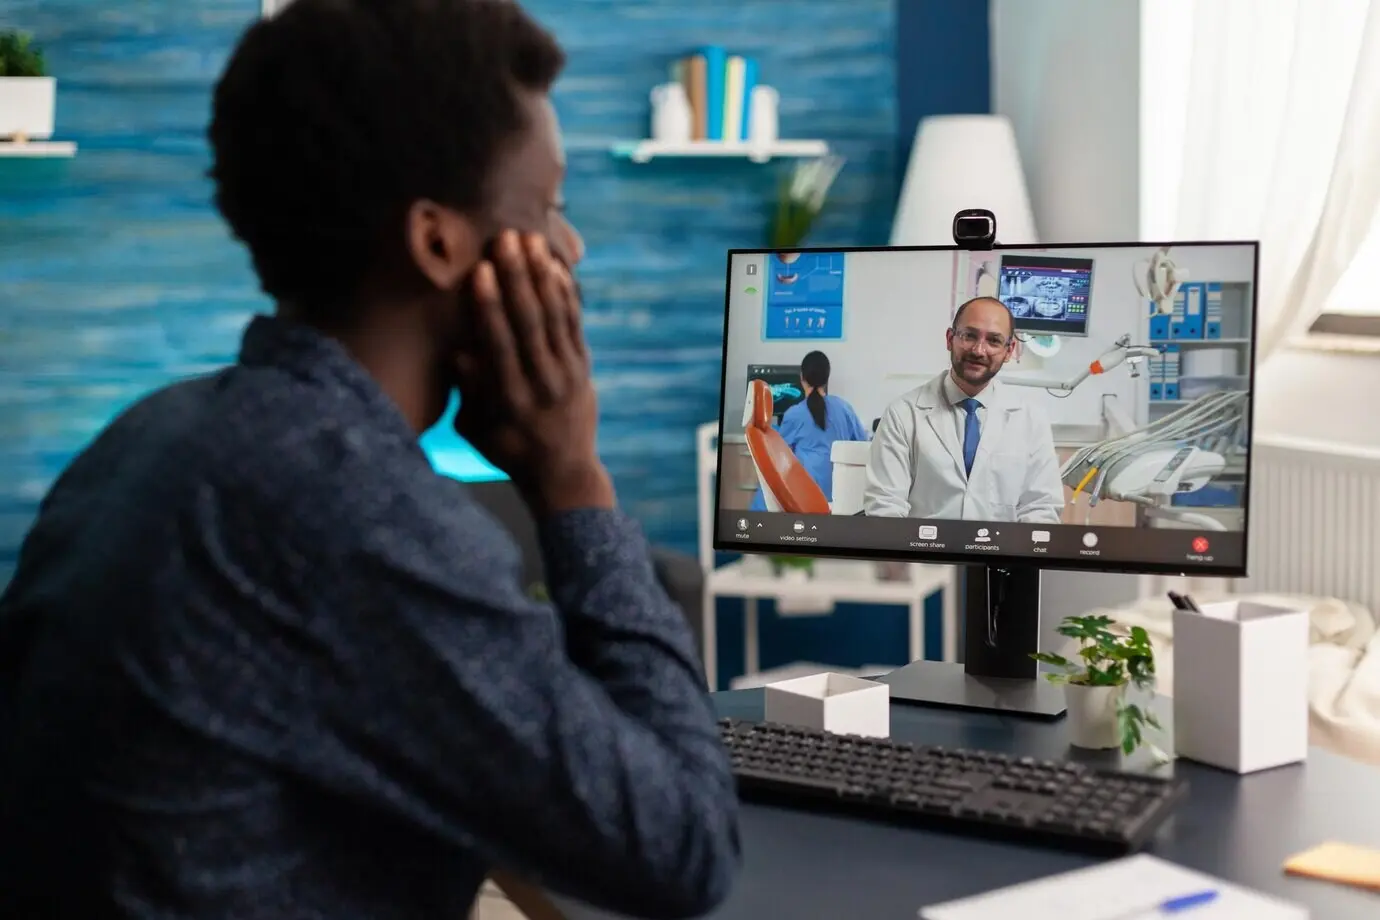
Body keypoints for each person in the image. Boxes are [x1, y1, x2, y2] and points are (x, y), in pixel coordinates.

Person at [0, 2, 740, 918]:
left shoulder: (150, 439)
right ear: (438, 242)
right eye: (549, 207)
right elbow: (684, 848)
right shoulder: (349, 510)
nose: (570, 247)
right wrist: (573, 480)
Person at [864, 296, 1064, 523]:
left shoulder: (1031, 420)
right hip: (923, 555)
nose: (979, 350)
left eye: (994, 341)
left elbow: (1041, 507)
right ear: (950, 339)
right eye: (969, 336)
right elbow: (886, 507)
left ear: (1009, 351)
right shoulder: (903, 414)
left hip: (1001, 555)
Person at [748, 351, 869, 510]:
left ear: (802, 378)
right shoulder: (844, 408)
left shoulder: (794, 414)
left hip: (806, 496)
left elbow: (777, 457)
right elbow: (863, 446)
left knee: (763, 494)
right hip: (842, 496)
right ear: (827, 378)